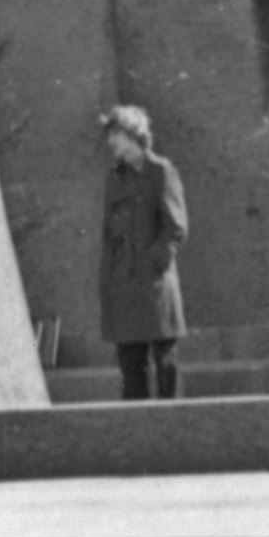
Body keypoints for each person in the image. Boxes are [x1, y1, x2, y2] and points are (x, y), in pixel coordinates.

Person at [98, 102, 188, 399]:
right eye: (110, 135)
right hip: (124, 288)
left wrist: (154, 263)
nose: (112, 142)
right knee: (130, 367)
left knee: (166, 366)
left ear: (134, 134)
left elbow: (175, 227)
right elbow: (109, 234)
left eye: (117, 134)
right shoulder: (115, 178)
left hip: (155, 287)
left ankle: (172, 432)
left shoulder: (162, 172)